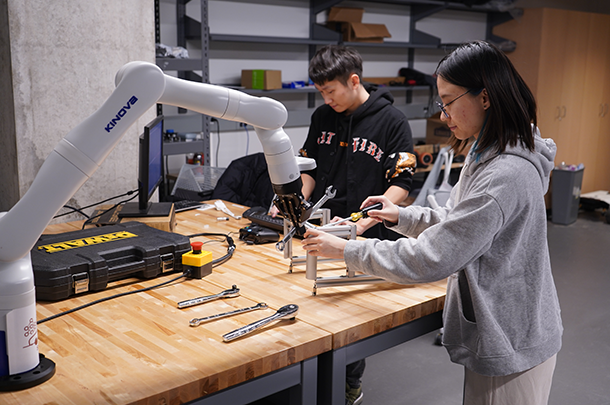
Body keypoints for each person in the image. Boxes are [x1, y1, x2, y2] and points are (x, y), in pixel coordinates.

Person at [302, 40, 563, 405]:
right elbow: (458, 221)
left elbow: (435, 256)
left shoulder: (504, 174)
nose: (443, 116)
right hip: (503, 325)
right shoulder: (486, 151)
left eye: (449, 102)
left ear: (484, 97)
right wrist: (402, 216)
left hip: (513, 337)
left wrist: (349, 251)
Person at [278, 44, 416, 405]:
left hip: (367, 228)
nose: (326, 99)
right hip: (322, 225)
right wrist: (295, 202)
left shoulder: (392, 121)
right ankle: (309, 382)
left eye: (331, 91)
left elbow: (402, 183)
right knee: (312, 303)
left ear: (353, 81)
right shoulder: (323, 117)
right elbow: (307, 168)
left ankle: (348, 384)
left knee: (350, 316)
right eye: (320, 92)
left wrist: (365, 223)